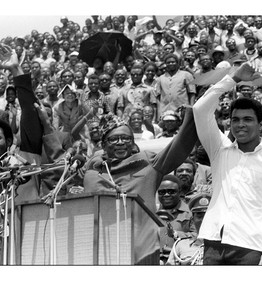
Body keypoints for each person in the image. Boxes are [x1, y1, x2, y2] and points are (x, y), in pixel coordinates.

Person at [62, 100, 198, 264]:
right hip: (100, 249)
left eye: (126, 138)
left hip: (141, 250)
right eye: (114, 139)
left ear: (133, 144)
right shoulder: (91, 172)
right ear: (104, 144)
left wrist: (192, 114)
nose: (120, 143)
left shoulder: (148, 164)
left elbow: (180, 146)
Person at [193, 63, 262, 265]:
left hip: (252, 246)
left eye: (248, 119)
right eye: (235, 119)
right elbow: (200, 108)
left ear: (261, 124)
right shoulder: (219, 150)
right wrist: (233, 78)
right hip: (213, 243)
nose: (240, 124)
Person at [156, 174, 195, 264]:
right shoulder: (152, 212)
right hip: (155, 260)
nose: (166, 195)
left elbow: (197, 236)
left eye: (171, 191)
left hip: (179, 260)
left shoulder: (190, 212)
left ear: (180, 192)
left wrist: (177, 234)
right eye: (162, 192)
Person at [166, 192, 211, 265]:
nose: (204, 220)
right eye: (199, 217)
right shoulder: (181, 245)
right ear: (193, 220)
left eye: (208, 216)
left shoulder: (225, 246)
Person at [155, 53, 196, 121]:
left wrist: (191, 109)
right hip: (165, 111)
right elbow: (158, 97)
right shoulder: (160, 78)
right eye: (168, 62)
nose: (171, 63)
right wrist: (159, 113)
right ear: (165, 64)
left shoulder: (186, 75)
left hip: (182, 110)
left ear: (177, 63)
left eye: (173, 62)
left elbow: (192, 93)